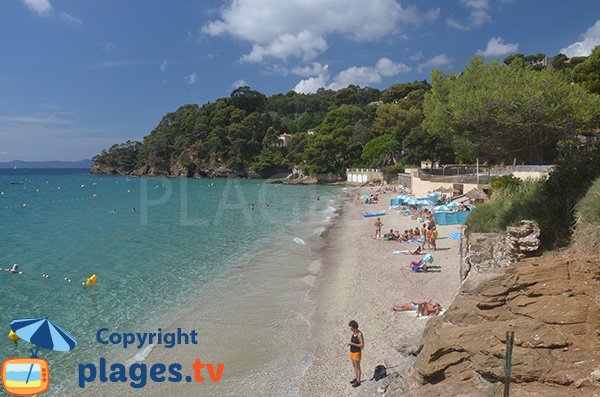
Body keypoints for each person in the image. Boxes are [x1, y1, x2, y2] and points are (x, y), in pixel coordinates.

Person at [347, 320, 365, 387]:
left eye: (351, 328)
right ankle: (356, 378)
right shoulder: (354, 333)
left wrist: (352, 344)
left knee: (357, 367)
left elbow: (362, 345)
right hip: (352, 352)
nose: (350, 329)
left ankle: (358, 381)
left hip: (357, 353)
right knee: (354, 366)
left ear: (354, 327)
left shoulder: (359, 334)